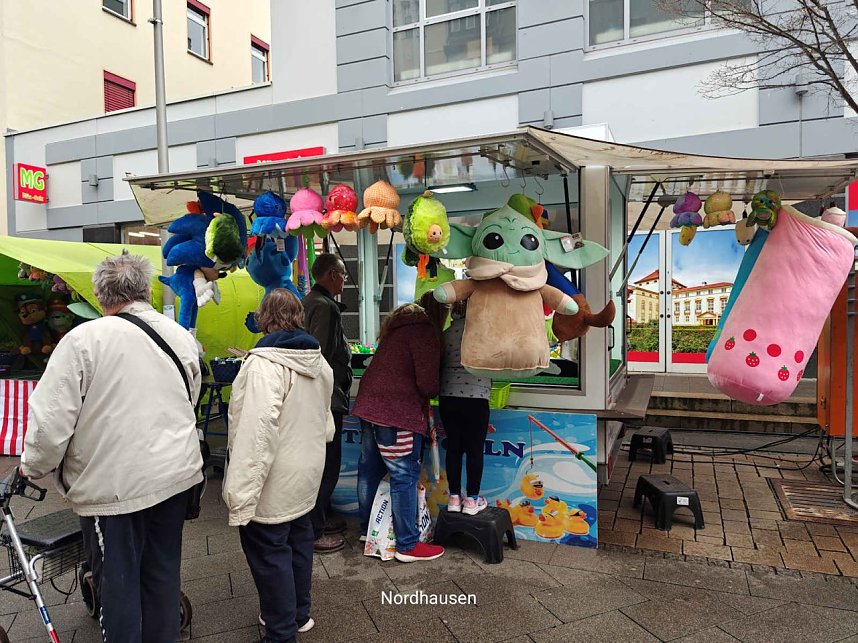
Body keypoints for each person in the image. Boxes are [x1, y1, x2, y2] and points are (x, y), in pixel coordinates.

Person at [20, 252, 202, 643]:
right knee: (162, 574)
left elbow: (51, 420)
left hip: (116, 488)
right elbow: (191, 396)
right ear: (145, 290)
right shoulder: (179, 336)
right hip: (176, 475)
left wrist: (31, 466)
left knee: (118, 583)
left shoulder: (84, 340)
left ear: (100, 296)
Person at [223, 288, 334, 643]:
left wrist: (239, 496)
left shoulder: (262, 365)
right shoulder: (321, 363)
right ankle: (298, 614)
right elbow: (326, 425)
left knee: (269, 553)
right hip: (307, 474)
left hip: (272, 481)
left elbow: (254, 437)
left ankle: (281, 631)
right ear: (299, 317)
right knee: (299, 544)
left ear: (263, 320)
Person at [353, 303, 445, 563]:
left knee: (369, 471)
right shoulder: (425, 332)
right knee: (404, 475)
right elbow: (428, 385)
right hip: (397, 413)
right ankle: (407, 544)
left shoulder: (395, 330)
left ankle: (367, 530)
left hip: (369, 408)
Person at [302, 253, 352, 554]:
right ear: (332, 274)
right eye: (344, 275)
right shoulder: (324, 307)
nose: (345, 281)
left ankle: (320, 518)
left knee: (320, 464)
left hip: (318, 399)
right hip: (326, 400)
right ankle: (315, 529)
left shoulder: (308, 302)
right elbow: (317, 357)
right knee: (326, 465)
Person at [438, 300, 492, 515]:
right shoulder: (483, 334)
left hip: (448, 396)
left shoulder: (446, 334)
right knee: (474, 449)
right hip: (476, 397)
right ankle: (471, 500)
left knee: (454, 447)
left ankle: (453, 497)